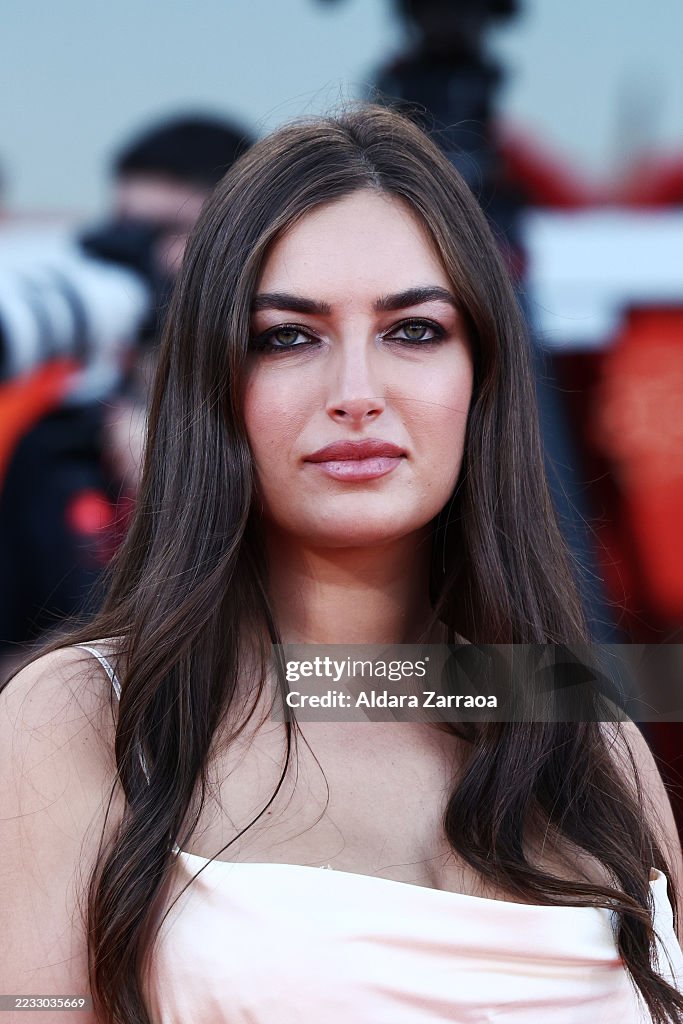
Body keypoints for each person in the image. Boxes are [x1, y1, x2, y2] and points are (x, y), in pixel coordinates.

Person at [1, 103, 682, 1024]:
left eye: (413, 331)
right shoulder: (81, 718)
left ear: (480, 372)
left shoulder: (576, 721)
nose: (356, 394)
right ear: (212, 380)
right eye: (287, 336)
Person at [0, 114, 253, 675]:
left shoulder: (293, 419)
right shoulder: (53, 441)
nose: (135, 256)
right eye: (124, 229)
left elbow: (390, 678)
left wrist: (185, 492)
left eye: (164, 231)